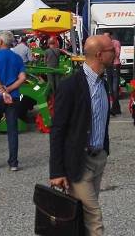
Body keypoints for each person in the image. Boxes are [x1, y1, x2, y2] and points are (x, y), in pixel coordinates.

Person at [49, 35, 115, 236]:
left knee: (83, 217)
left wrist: (103, 151)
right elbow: (57, 129)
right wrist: (57, 171)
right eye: (111, 49)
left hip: (98, 159)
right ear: (99, 55)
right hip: (78, 163)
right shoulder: (70, 86)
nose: (115, 52)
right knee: (94, 218)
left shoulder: (103, 84)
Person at [0, 31, 26, 171]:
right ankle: (13, 163)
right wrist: (8, 89)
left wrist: (1, 90)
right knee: (12, 130)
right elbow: (22, 78)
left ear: (1, 42)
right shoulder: (17, 58)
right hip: (13, 96)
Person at [103, 31, 122, 115]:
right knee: (110, 89)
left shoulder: (116, 43)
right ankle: (116, 108)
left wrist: (110, 49)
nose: (105, 39)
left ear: (111, 36)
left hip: (115, 65)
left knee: (115, 89)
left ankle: (114, 108)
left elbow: (117, 54)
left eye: (107, 37)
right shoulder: (104, 44)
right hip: (108, 66)